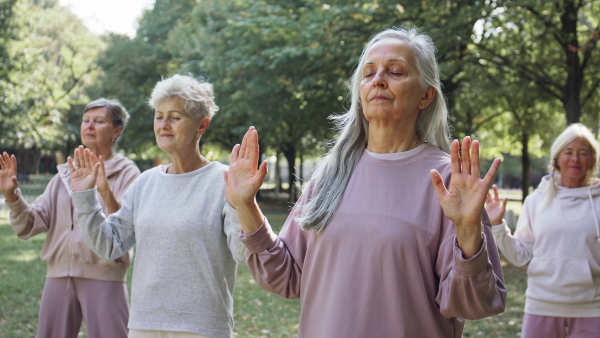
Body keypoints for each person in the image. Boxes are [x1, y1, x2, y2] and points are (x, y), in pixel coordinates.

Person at [224, 27, 507, 337]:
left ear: (425, 95)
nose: (378, 80)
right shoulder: (331, 174)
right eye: (369, 73)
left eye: (396, 71)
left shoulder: (448, 182)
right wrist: (246, 207)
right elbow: (288, 276)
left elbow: (475, 304)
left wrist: (468, 233)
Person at [68, 74, 247, 338]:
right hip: (144, 325)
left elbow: (244, 253)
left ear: (201, 125)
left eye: (175, 117)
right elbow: (109, 245)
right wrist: (85, 196)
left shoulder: (224, 181)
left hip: (202, 328)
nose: (163, 124)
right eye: (159, 115)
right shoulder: (145, 183)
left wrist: (243, 204)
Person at [0, 98, 140, 338]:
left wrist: (104, 190)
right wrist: (11, 195)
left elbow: (128, 225)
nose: (89, 126)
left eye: (99, 121)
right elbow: (31, 223)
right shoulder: (63, 175)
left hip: (104, 274)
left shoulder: (128, 172)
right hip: (58, 276)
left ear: (116, 131)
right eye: (86, 121)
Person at [486, 123, 600, 338]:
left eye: (582, 153)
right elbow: (520, 257)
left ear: (592, 160)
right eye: (568, 152)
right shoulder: (536, 201)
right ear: (556, 158)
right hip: (542, 304)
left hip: (592, 307)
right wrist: (498, 226)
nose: (575, 159)